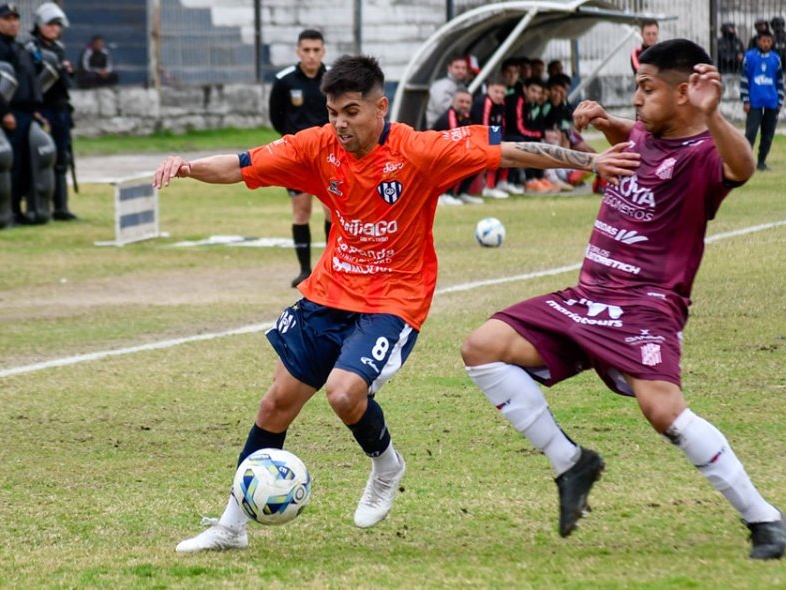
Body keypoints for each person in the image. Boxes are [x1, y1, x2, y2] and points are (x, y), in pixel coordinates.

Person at [154, 54, 640, 553]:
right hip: (329, 293)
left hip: (394, 297)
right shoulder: (317, 147)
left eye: (351, 111)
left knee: (344, 394)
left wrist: (591, 161)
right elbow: (239, 165)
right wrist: (187, 167)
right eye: (332, 112)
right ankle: (231, 526)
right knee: (275, 404)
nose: (340, 123)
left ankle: (386, 465)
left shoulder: (419, 149)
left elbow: (509, 151)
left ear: (380, 107)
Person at [461, 38, 786, 560]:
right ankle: (571, 462)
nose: (636, 99)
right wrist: (604, 122)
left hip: (646, 305)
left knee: (663, 412)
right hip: (589, 295)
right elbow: (634, 133)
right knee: (481, 346)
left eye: (646, 88)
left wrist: (715, 116)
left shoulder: (705, 154)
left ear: (685, 94)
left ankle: (765, 519)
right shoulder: (647, 132)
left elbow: (742, 167)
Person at [269, 28, 332, 288]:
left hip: (328, 157)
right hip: (296, 158)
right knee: (301, 212)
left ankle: (332, 270)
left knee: (333, 212)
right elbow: (276, 117)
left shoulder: (332, 79)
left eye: (316, 50)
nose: (311, 55)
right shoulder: (284, 81)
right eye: (306, 50)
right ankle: (305, 270)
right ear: (298, 52)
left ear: (323, 51)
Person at [0, 2, 45, 226]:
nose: (12, 23)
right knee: (11, 165)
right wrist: (4, 112)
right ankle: (8, 212)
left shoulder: (19, 46)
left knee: (25, 165)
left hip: (26, 112)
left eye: (15, 18)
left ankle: (18, 209)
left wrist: (35, 111)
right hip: (10, 113)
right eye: (6, 19)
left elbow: (29, 79)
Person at [30, 1, 76, 221]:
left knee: (62, 158)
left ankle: (61, 205)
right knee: (43, 157)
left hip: (60, 110)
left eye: (57, 25)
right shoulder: (33, 48)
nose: (54, 29)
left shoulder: (58, 48)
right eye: (50, 24)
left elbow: (64, 83)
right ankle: (40, 206)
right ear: (40, 24)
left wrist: (68, 71)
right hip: (44, 109)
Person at [740, 29, 783, 171]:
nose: (766, 44)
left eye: (768, 41)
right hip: (754, 102)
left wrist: (780, 100)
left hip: (772, 102)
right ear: (758, 41)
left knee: (768, 134)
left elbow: (779, 81)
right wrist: (745, 100)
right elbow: (744, 80)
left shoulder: (776, 59)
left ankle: (761, 162)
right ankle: (745, 162)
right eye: (763, 41)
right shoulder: (750, 57)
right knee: (751, 133)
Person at [431, 89, 483, 205]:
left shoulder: (466, 118)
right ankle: (443, 194)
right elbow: (451, 146)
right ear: (453, 102)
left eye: (467, 102)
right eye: (461, 101)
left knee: (479, 159)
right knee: (454, 160)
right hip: (435, 157)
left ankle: (461, 193)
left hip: (450, 152)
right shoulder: (448, 119)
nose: (464, 105)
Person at [471, 78, 510, 199]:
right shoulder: (484, 102)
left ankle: (501, 182)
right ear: (489, 89)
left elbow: (501, 124)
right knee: (494, 154)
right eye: (496, 91)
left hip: (492, 134)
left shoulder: (501, 104)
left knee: (506, 150)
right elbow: (484, 125)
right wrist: (494, 143)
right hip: (476, 136)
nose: (499, 95)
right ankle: (488, 186)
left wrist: (499, 140)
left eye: (502, 93)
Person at [424, 54, 467, 129]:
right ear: (449, 68)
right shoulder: (441, 86)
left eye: (463, 68)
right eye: (457, 67)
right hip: (438, 130)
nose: (461, 71)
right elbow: (444, 110)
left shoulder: (459, 85)